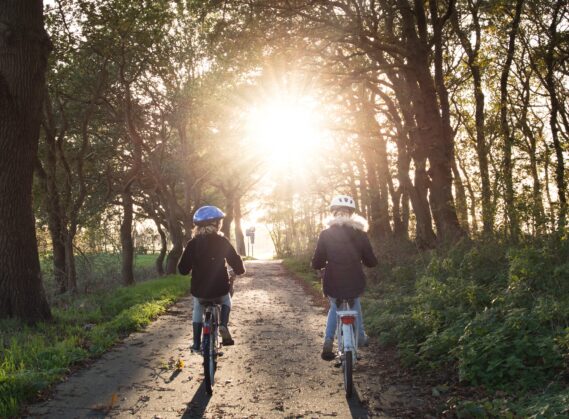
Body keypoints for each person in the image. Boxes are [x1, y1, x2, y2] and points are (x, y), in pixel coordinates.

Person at [311, 195, 378, 361]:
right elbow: (370, 261)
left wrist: (317, 265)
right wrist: (369, 262)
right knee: (355, 301)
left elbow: (318, 260)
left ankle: (328, 341)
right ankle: (361, 336)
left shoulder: (325, 234)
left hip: (332, 280)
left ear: (334, 213)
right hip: (355, 278)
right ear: (351, 214)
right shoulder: (361, 234)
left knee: (335, 306)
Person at [178, 205, 245, 350]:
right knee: (227, 300)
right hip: (220, 290)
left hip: (200, 291)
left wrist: (190, 268)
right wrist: (239, 270)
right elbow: (236, 262)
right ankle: (223, 325)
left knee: (198, 307)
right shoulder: (222, 242)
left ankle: (196, 343)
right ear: (216, 224)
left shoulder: (192, 244)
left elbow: (182, 269)